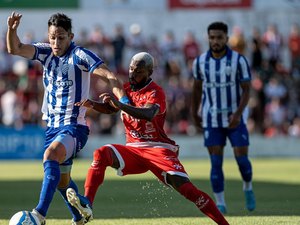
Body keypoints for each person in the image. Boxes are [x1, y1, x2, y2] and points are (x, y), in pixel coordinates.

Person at [66, 52, 230, 225]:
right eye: (131, 69)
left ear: (149, 72)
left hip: (157, 148)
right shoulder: (127, 89)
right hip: (133, 149)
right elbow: (111, 109)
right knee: (101, 153)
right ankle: (87, 205)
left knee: (188, 190)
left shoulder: (155, 92)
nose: (132, 74)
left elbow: (149, 114)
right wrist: (92, 104)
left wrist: (121, 104)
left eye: (138, 71)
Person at [6, 11, 129, 225]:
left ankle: (39, 215)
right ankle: (80, 214)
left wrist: (124, 103)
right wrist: (12, 29)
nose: (56, 42)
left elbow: (109, 76)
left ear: (71, 36)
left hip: (74, 127)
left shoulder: (80, 55)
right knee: (62, 182)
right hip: (52, 127)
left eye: (61, 37)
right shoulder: (45, 53)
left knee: (51, 155)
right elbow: (14, 48)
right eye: (52, 37)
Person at [191, 21, 256, 214]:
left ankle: (248, 187)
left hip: (235, 119)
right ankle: (220, 203)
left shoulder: (239, 60)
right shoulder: (200, 62)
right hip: (212, 119)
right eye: (212, 37)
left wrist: (237, 115)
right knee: (216, 163)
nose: (215, 41)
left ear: (227, 38)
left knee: (242, 161)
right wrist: (195, 112)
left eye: (219, 37)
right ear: (208, 38)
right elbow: (196, 89)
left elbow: (247, 91)